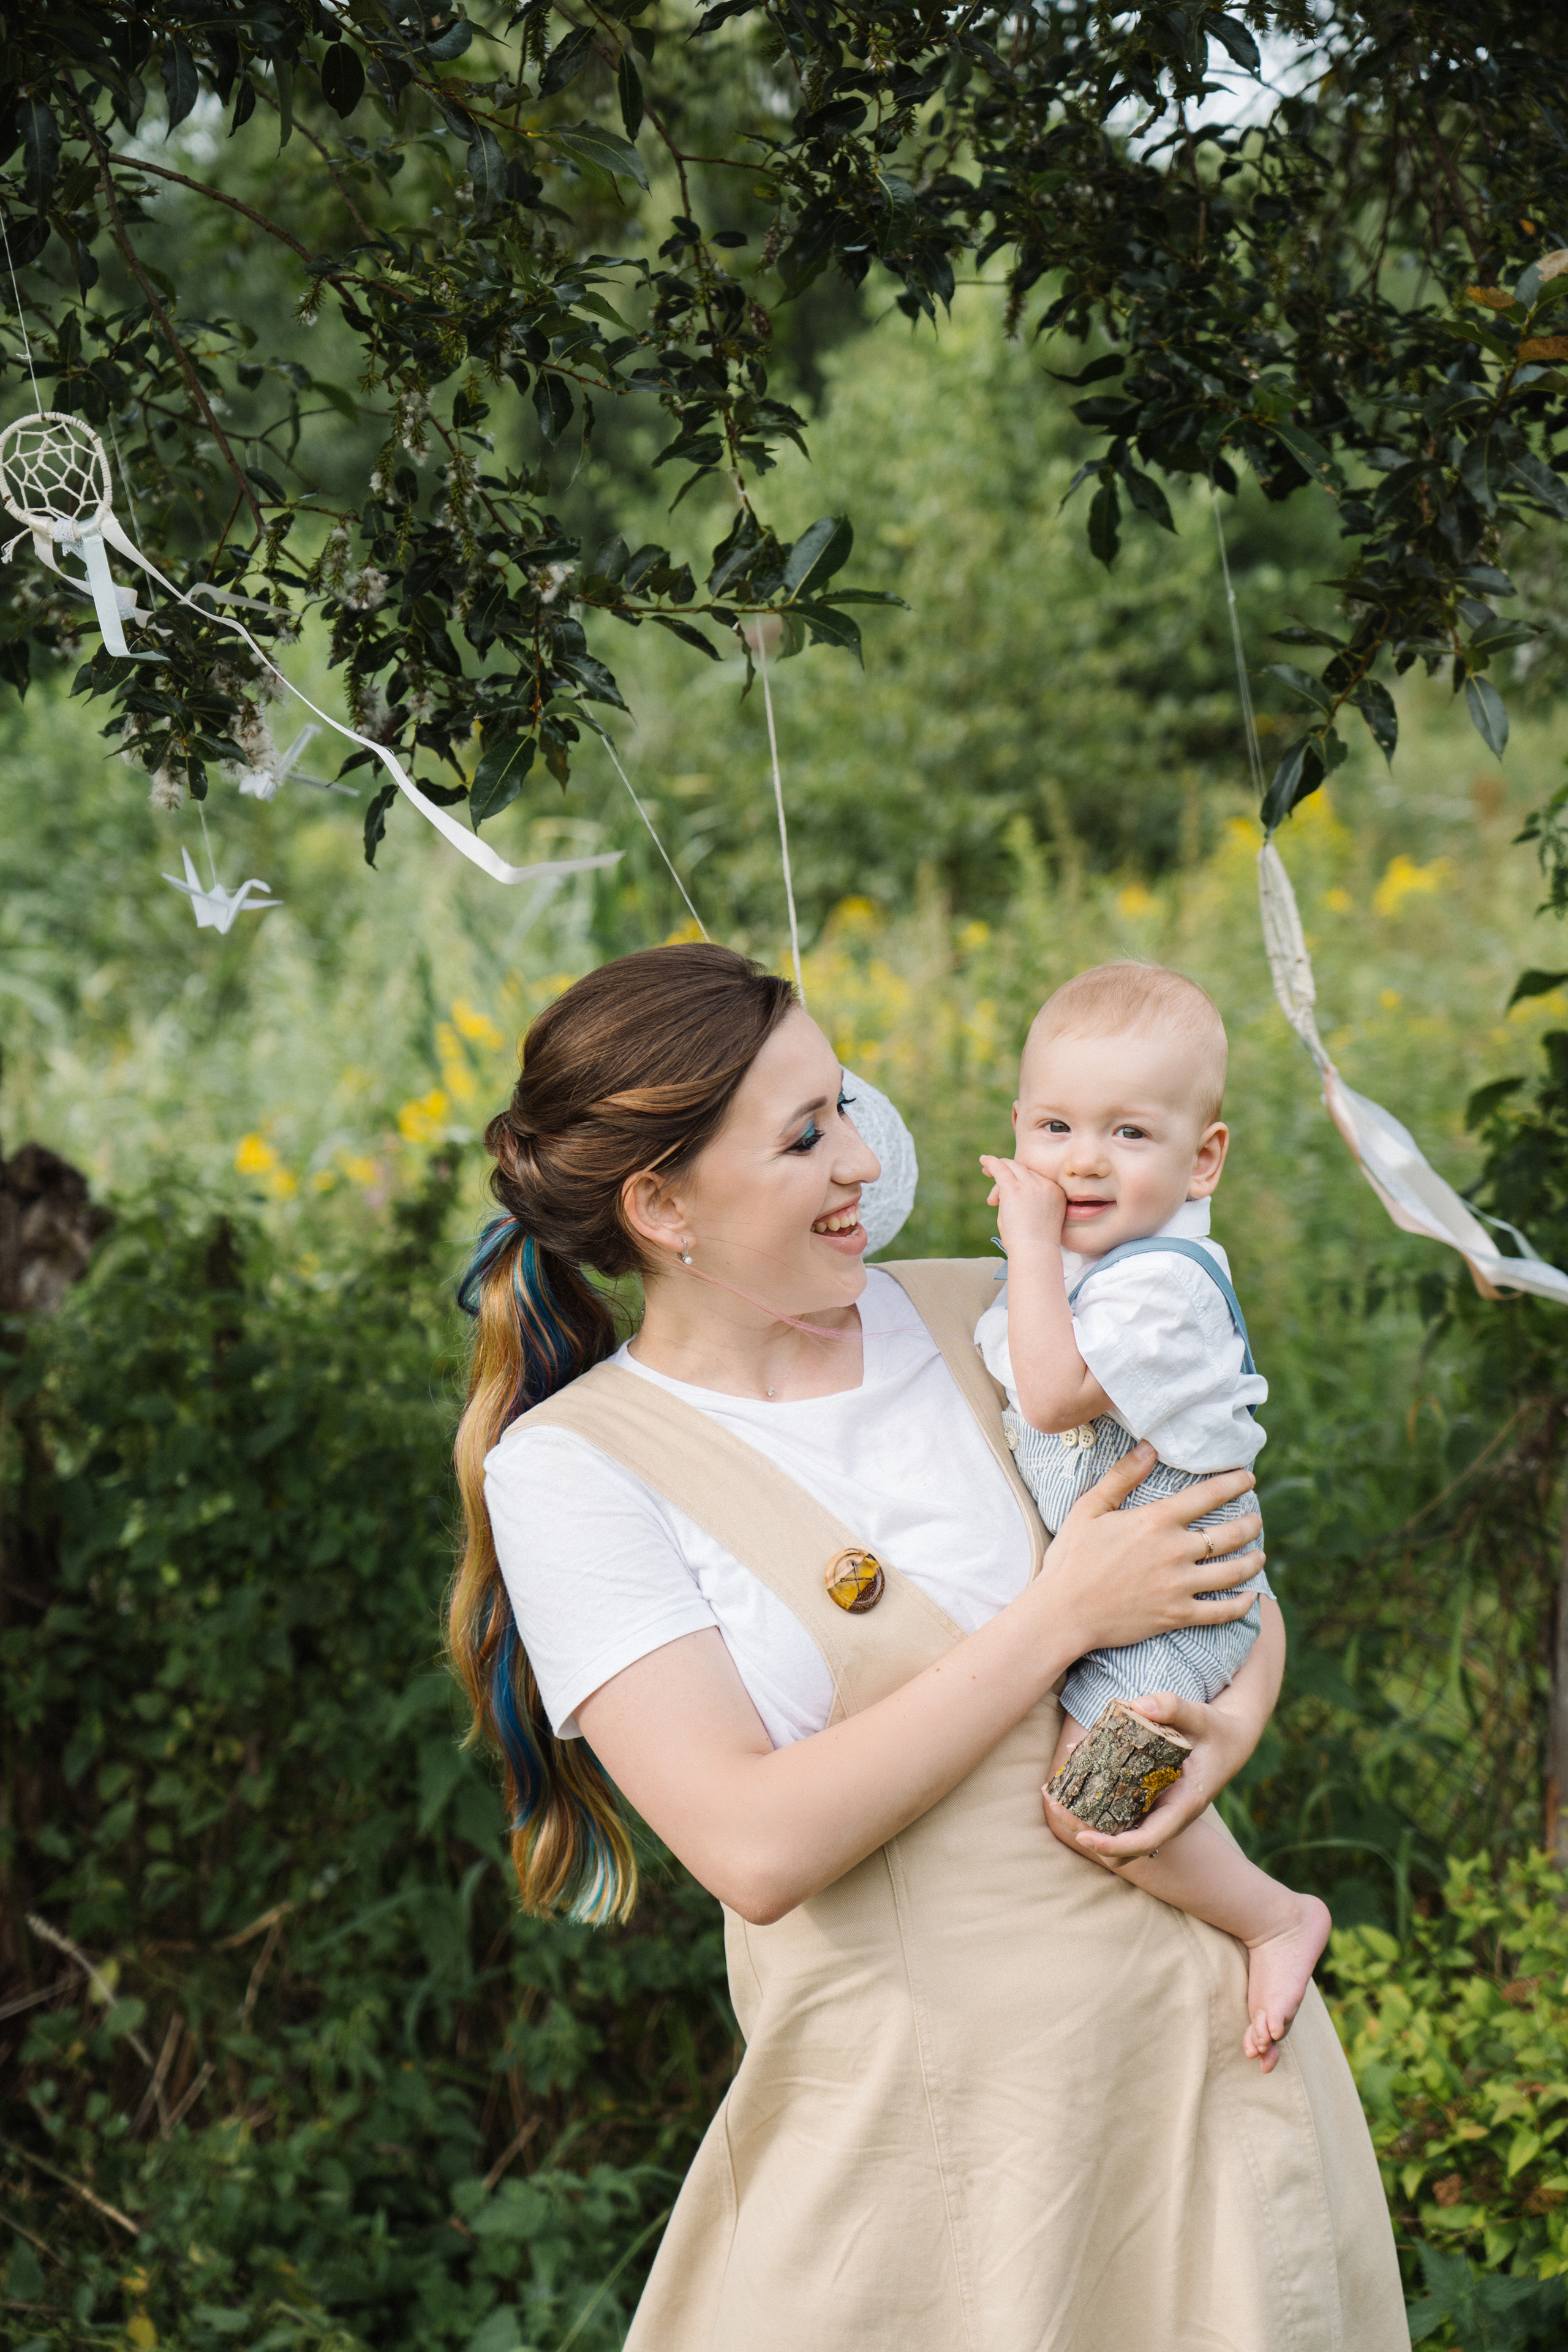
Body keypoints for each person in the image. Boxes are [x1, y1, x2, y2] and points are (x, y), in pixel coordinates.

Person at [449, 941, 1408, 2351]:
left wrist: (1222, 1730)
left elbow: (1226, 1577)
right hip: (920, 2164)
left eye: (840, 1104)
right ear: (661, 1205)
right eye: (801, 1136)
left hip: (1196, 2078)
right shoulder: (580, 1468)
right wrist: (1059, 1622)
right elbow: (753, 1849)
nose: (859, 1157)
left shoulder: (999, 1315)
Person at [976, 961, 1330, 2070]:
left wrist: (1027, 1246)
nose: (1081, 1160)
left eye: (1130, 1134)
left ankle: (1273, 1916)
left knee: (1091, 1804)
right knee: (1097, 1784)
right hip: (1136, 1586)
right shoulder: (1094, 1266)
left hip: (1182, 1598)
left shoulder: (1160, 1284)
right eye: (1055, 1125)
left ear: (1202, 1159)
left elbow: (1052, 1394)